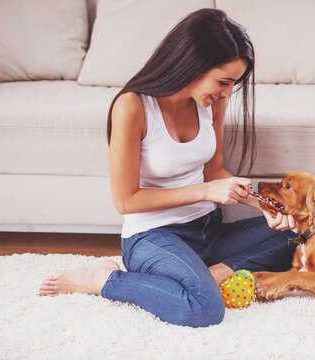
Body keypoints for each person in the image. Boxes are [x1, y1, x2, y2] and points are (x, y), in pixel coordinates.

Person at [37, 8, 298, 327]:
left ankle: (216, 272)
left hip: (208, 230)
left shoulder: (213, 100)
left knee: (304, 229)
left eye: (233, 85)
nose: (227, 93)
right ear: (194, 64)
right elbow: (125, 201)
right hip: (153, 236)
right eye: (224, 82)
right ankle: (105, 279)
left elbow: (216, 173)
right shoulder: (132, 106)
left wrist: (267, 208)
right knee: (204, 308)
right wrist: (205, 190)